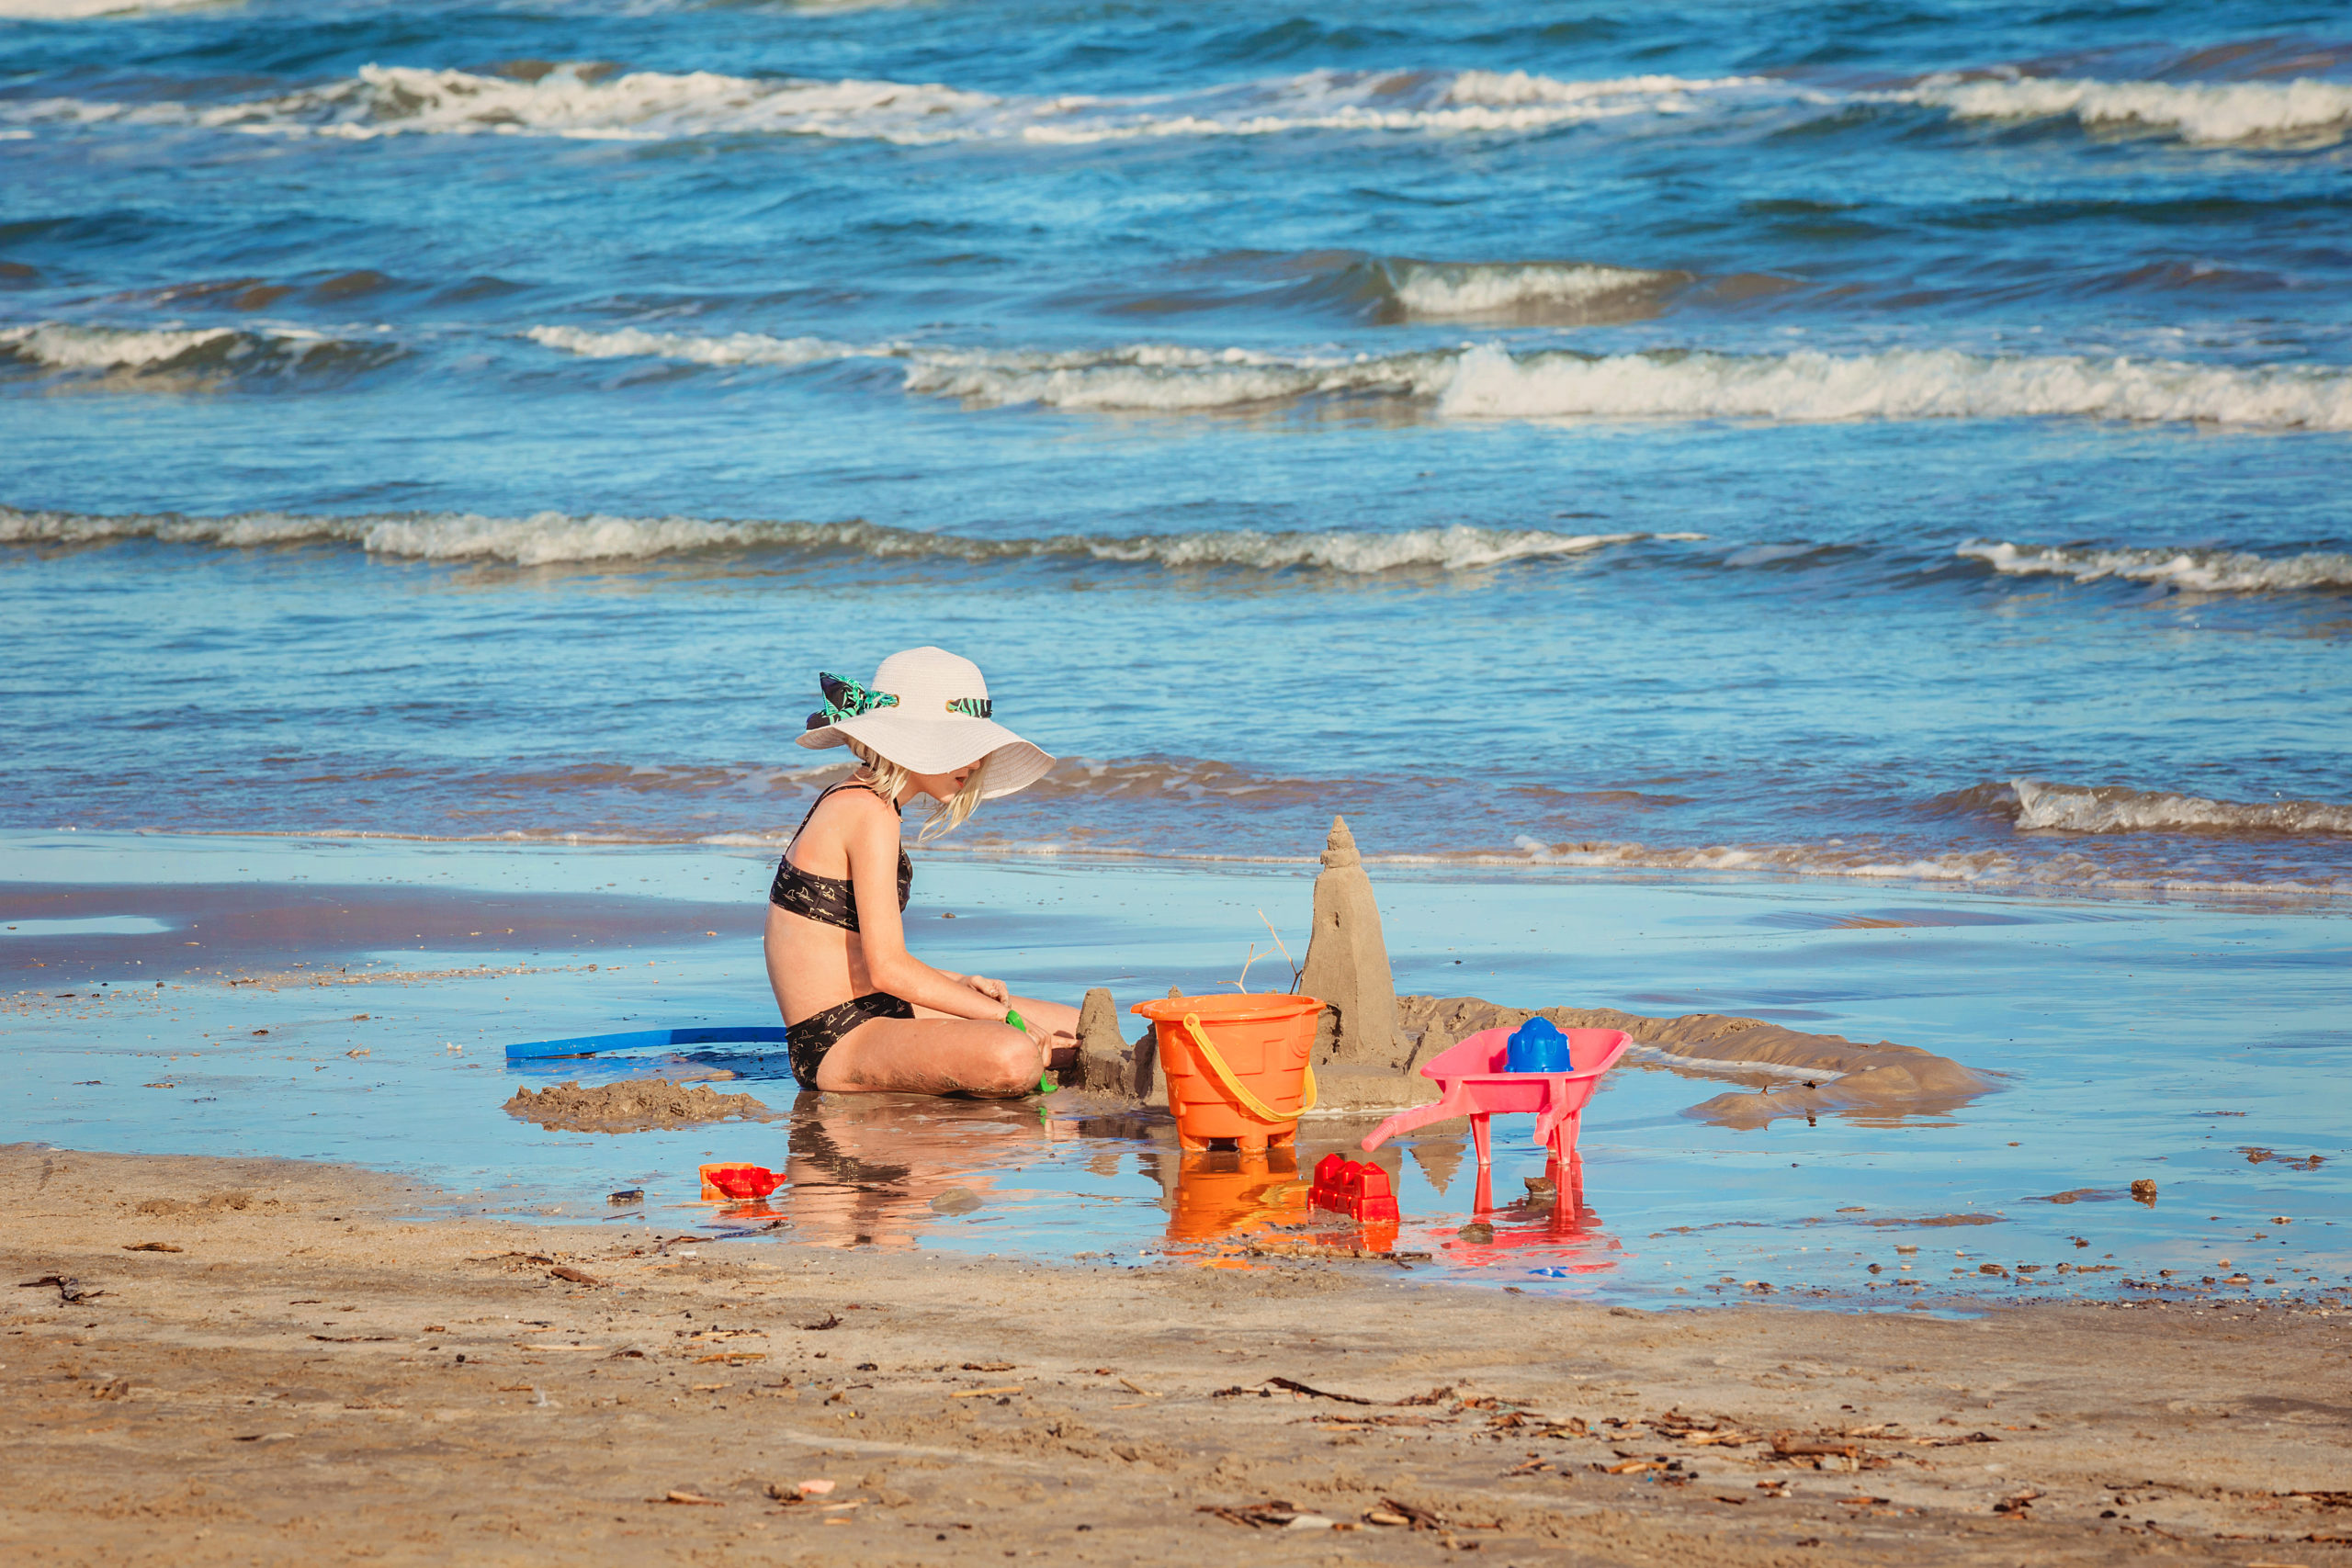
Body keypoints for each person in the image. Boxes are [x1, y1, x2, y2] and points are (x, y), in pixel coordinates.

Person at [763, 646, 1078, 1095]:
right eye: (963, 746)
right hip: (837, 1037)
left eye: (978, 748)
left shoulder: (865, 800)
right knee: (1014, 1054)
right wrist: (999, 1017)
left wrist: (959, 986)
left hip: (881, 1008)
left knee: (1081, 1029)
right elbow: (887, 969)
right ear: (916, 741)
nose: (975, 763)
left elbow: (855, 955)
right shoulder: (867, 812)